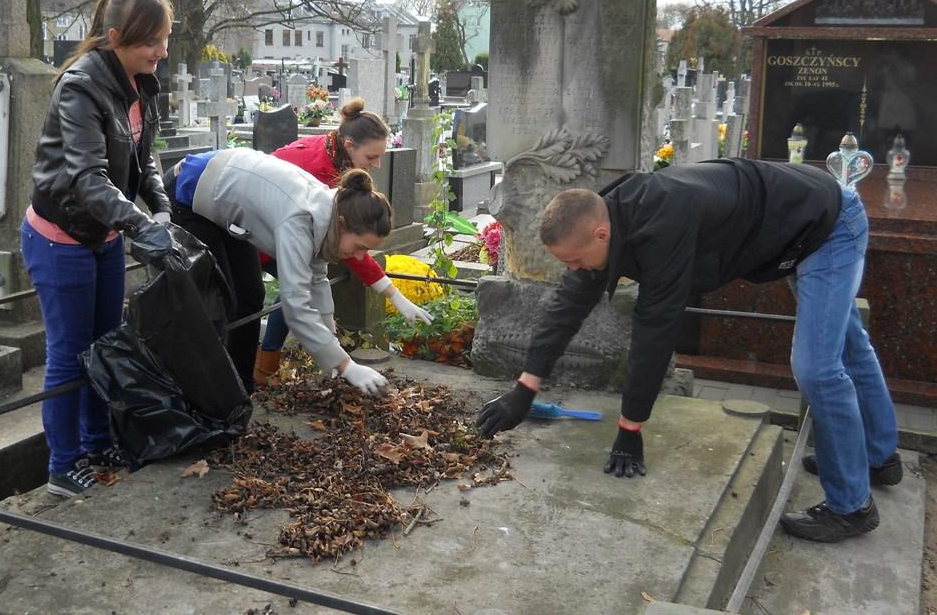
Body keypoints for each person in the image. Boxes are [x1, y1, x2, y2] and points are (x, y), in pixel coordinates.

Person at [476, 158, 900, 544]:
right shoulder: (606, 219)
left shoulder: (662, 222)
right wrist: (524, 389)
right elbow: (568, 306)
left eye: (573, 260)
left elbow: (656, 325)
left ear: (600, 234)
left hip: (828, 226)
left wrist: (630, 427)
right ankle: (877, 459)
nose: (573, 270)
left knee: (817, 366)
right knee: (848, 346)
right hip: (798, 222)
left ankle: (851, 506)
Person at [23, 0, 176, 498]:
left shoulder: (140, 84)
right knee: (69, 352)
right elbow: (88, 179)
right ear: (115, 37)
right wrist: (141, 225)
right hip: (61, 235)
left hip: (107, 232)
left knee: (106, 343)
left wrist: (160, 206)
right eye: (152, 41)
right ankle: (62, 466)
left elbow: (144, 157)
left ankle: (96, 442)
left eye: (165, 38)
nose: (162, 51)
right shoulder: (81, 87)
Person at [165, 148, 392, 396]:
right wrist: (347, 365)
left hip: (227, 203)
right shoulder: (300, 217)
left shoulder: (329, 212)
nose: (360, 257)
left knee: (250, 295)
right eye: (360, 247)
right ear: (342, 224)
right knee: (217, 302)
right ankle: (205, 393)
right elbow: (295, 306)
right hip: (189, 192)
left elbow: (317, 280)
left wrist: (334, 351)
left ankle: (242, 389)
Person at [255, 98, 432, 386]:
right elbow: (352, 248)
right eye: (371, 157)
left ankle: (270, 362)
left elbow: (353, 244)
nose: (376, 165)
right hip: (257, 234)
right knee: (294, 293)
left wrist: (395, 296)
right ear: (350, 145)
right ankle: (264, 366)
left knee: (298, 291)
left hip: (276, 232)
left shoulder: (333, 152)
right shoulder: (320, 174)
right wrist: (394, 296)